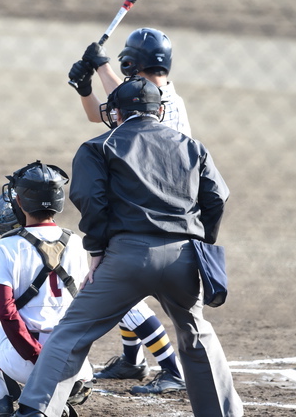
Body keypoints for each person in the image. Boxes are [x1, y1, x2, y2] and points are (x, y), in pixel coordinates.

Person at [13, 77, 243, 417]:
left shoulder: (99, 146)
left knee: (72, 333)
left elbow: (90, 198)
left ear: (116, 113)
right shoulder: (193, 147)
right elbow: (216, 198)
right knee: (196, 335)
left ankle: (37, 410)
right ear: (160, 111)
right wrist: (201, 242)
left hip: (127, 257)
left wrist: (97, 249)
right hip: (184, 258)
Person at [66, 27, 190, 394]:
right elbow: (101, 115)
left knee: (118, 283)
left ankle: (171, 369)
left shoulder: (162, 100)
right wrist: (85, 86)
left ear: (130, 64)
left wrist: (100, 64)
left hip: (154, 212)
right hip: (155, 205)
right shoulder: (148, 98)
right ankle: (131, 360)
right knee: (126, 287)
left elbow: (126, 96)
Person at [0, 161, 93, 416]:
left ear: (20, 202)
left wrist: (39, 358)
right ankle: (68, 390)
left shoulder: (5, 247)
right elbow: (86, 306)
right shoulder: (77, 243)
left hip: (28, 362)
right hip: (73, 362)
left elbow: (7, 314)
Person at [69, 27, 191, 137]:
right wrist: (85, 90)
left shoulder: (161, 103)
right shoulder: (172, 101)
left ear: (130, 62)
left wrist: (101, 65)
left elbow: (130, 98)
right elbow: (96, 115)